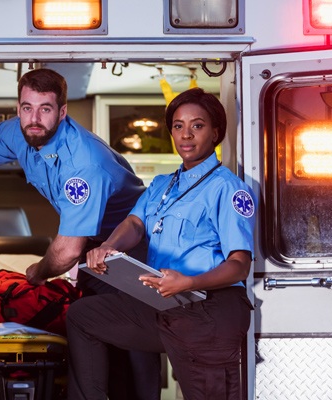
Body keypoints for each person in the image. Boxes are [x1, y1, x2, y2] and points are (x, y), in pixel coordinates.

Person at [0, 68, 159, 400]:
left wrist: (37, 274)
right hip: (93, 248)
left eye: (45, 109)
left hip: (134, 245)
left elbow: (66, 251)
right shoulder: (19, 132)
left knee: (133, 345)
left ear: (62, 112)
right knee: (90, 334)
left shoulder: (84, 164)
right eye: (27, 107)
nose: (34, 118)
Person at [67, 87, 256, 400]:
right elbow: (135, 223)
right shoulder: (161, 185)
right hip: (164, 304)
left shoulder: (227, 188)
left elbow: (239, 266)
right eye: (178, 126)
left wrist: (189, 281)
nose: (186, 135)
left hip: (209, 309)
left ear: (215, 133)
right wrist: (109, 247)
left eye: (197, 125)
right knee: (83, 316)